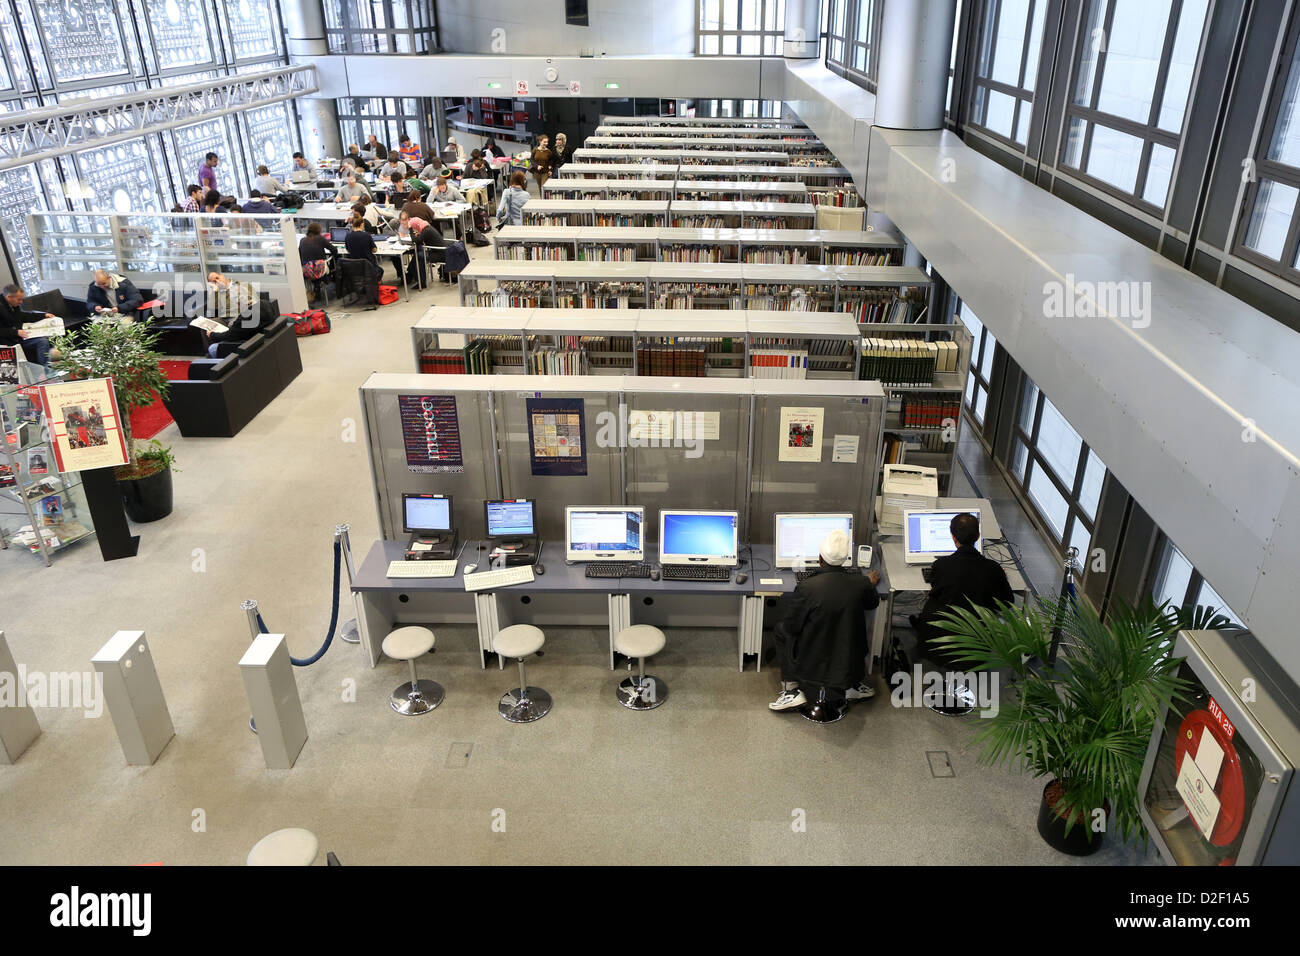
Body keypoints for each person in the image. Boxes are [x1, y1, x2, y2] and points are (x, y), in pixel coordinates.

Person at [769, 530, 882, 712]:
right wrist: (867, 583)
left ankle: (792, 690)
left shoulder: (808, 587)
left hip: (813, 658)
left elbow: (792, 626)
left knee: (782, 630)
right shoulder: (860, 584)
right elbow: (872, 603)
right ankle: (852, 686)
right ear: (845, 559)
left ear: (820, 558)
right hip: (849, 657)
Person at [910, 512, 1014, 668]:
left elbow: (936, 591)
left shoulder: (942, 565)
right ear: (978, 536)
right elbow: (1007, 602)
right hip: (976, 646)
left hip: (939, 643)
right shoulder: (993, 569)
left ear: (953, 537)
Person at [203, 272, 260, 356]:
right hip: (224, 318)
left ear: (222, 276)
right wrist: (215, 292)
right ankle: (211, 353)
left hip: (239, 315)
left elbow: (255, 303)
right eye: (214, 281)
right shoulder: (218, 291)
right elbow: (211, 310)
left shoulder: (242, 285)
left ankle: (231, 352)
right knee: (206, 325)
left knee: (233, 324)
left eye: (217, 278)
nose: (217, 281)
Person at [0, 284, 57, 367]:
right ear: (9, 297)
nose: (21, 302)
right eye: (19, 299)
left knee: (43, 340)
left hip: (19, 339)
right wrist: (16, 332)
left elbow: (23, 316)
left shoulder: (13, 305)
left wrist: (44, 315)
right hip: (7, 344)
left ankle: (46, 369)